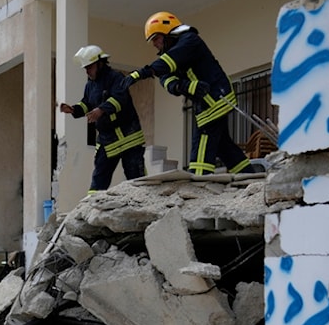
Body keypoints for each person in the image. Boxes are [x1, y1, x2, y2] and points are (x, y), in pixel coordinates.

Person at [123, 11, 253, 176]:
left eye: (156, 38)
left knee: (201, 145)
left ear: (167, 32)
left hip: (215, 98)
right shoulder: (171, 53)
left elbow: (169, 62)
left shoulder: (190, 41)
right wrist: (182, 86)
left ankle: (199, 183)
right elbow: (166, 79)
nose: (154, 44)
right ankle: (248, 177)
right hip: (205, 102)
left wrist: (142, 73)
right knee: (223, 146)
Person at [59, 45, 146, 193]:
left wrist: (101, 110)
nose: (87, 71)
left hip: (129, 138)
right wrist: (74, 109)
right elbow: (87, 103)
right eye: (85, 68)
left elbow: (120, 99)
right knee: (99, 179)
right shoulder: (90, 85)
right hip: (107, 140)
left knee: (136, 179)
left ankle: (144, 208)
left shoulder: (116, 77)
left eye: (90, 67)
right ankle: (90, 210)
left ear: (100, 63)